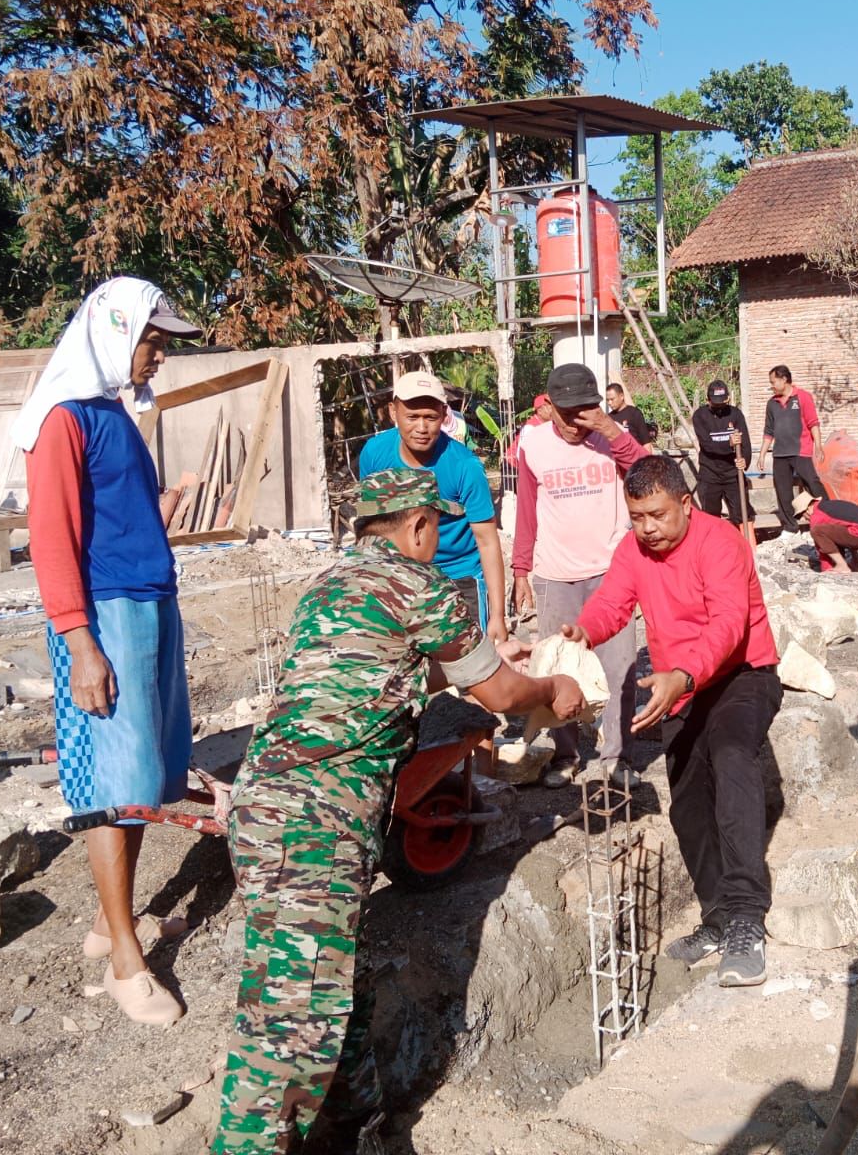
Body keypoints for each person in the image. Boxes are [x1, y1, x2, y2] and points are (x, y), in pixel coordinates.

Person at [213, 468, 584, 1155]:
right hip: (318, 821)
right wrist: (549, 685)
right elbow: (502, 697)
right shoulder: (422, 586)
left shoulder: (329, 585)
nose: (438, 540)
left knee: (326, 979)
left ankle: (358, 1120)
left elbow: (404, 666)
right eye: (436, 529)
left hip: (263, 804)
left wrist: (492, 660)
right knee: (287, 1032)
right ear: (418, 526)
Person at [15, 275, 202, 1025]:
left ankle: (106, 923)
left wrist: (158, 514)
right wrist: (80, 643)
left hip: (148, 599)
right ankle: (127, 958)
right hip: (104, 617)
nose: (158, 356)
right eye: (151, 341)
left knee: (146, 771)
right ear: (114, 333)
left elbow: (109, 516)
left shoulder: (110, 413)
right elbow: (52, 540)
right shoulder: (61, 420)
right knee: (107, 781)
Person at [564, 455, 782, 987]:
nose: (647, 528)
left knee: (731, 762)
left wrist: (683, 675)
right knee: (686, 804)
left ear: (685, 503)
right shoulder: (635, 549)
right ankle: (716, 918)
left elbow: (729, 623)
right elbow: (612, 603)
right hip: (679, 686)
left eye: (657, 515)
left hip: (740, 675)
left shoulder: (720, 541)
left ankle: (746, 918)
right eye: (636, 517)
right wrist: (581, 633)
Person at [512, 364, 645, 787]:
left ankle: (616, 756)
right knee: (557, 667)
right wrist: (521, 570)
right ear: (549, 407)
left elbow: (649, 474)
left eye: (586, 410)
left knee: (619, 667)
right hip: (555, 576)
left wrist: (611, 430)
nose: (576, 422)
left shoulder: (612, 441)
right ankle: (565, 755)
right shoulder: (532, 446)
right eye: (567, 412)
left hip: (612, 574)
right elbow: (526, 514)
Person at [358, 370, 507, 644]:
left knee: (473, 667)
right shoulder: (374, 454)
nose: (422, 427)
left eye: (431, 417)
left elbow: (487, 541)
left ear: (444, 414)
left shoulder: (465, 466)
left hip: (459, 575)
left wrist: (497, 615)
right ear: (393, 412)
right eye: (412, 417)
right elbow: (370, 526)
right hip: (400, 574)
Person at [758, 365, 824, 532]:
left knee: (813, 484)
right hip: (780, 454)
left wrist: (818, 446)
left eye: (773, 382)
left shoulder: (803, 397)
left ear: (784, 379)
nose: (771, 385)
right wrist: (762, 455)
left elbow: (813, 423)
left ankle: (827, 518)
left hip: (801, 451)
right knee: (783, 492)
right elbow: (769, 431)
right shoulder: (771, 403)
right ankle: (790, 528)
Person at [690, 379, 754, 527]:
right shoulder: (700, 416)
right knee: (711, 517)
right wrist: (729, 444)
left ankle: (747, 546)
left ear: (728, 398)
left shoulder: (736, 414)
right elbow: (707, 445)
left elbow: (745, 442)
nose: (719, 406)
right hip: (710, 474)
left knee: (742, 514)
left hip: (733, 474)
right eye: (715, 403)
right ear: (707, 400)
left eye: (722, 402)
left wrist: (745, 460)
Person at [804, 493, 858, 574]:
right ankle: (856, 564)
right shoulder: (829, 505)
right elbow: (841, 534)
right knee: (846, 528)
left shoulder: (817, 515)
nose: (804, 518)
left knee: (816, 531)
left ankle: (841, 565)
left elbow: (820, 545)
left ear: (807, 509)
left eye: (802, 515)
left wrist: (826, 569)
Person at [605, 381, 654, 447]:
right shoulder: (609, 418)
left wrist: (648, 457)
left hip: (636, 455)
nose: (609, 403)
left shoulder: (634, 413)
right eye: (607, 400)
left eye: (612, 399)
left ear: (621, 396)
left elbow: (646, 442)